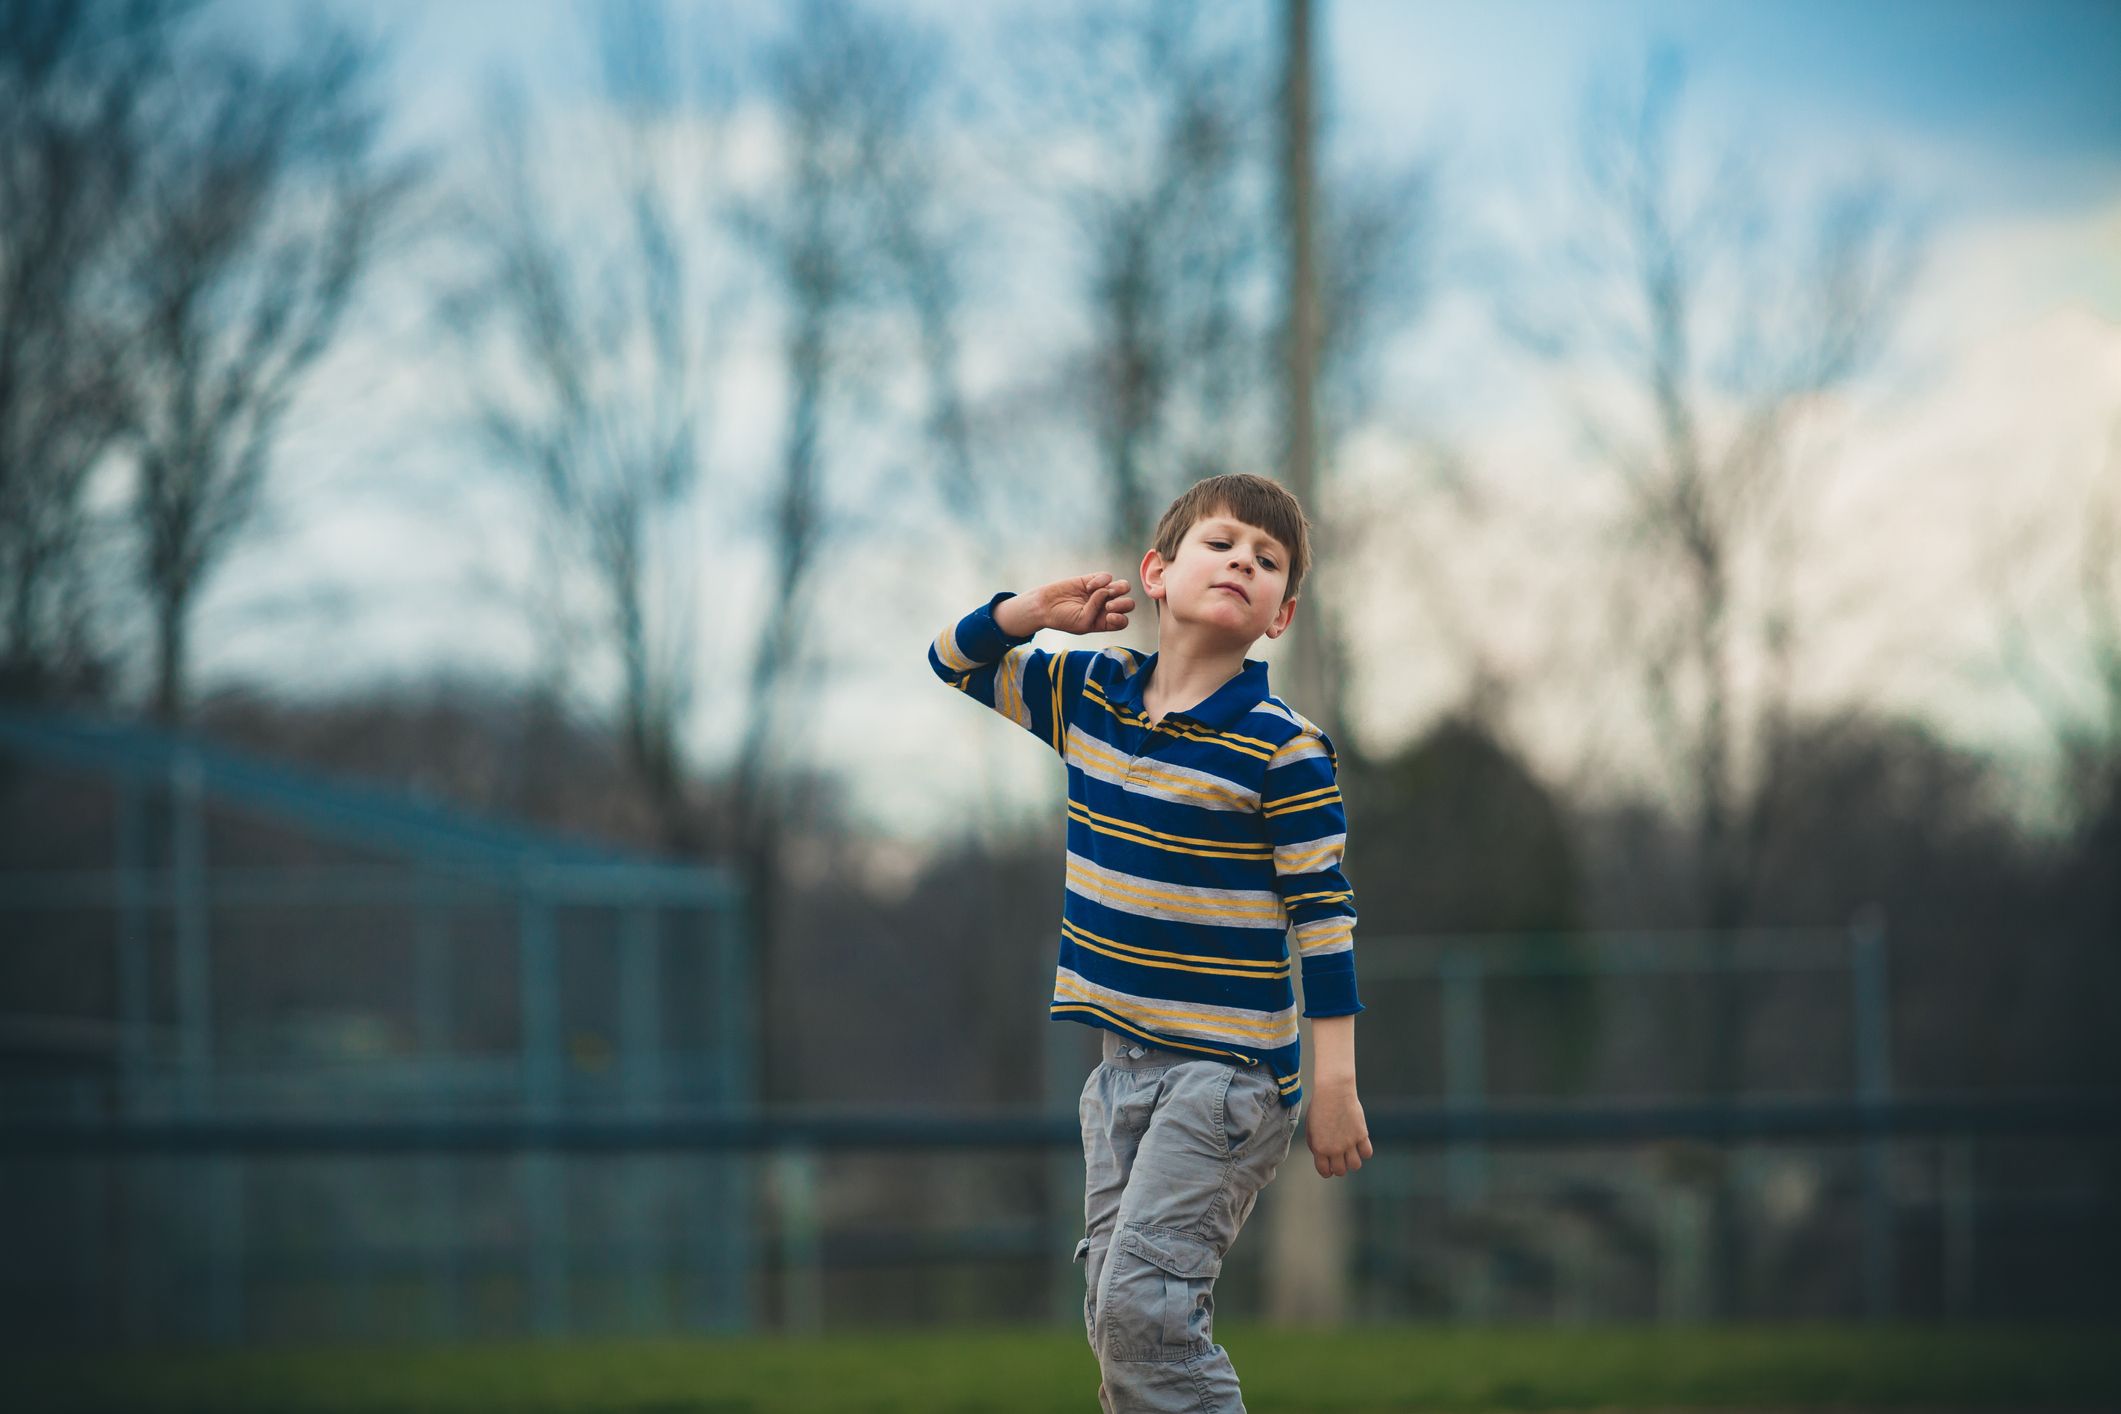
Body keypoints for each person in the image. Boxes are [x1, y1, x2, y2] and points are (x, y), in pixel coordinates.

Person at [926, 471, 1372, 1412]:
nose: (1242, 563)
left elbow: (1323, 921)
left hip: (1228, 1079)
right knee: (1116, 1317)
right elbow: (950, 662)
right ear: (1157, 573)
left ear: (1278, 617)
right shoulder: (1090, 693)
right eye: (1222, 544)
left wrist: (1333, 1085)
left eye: (1267, 561)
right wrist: (1027, 611)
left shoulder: (1281, 747)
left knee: (1146, 1313)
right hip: (1119, 1071)